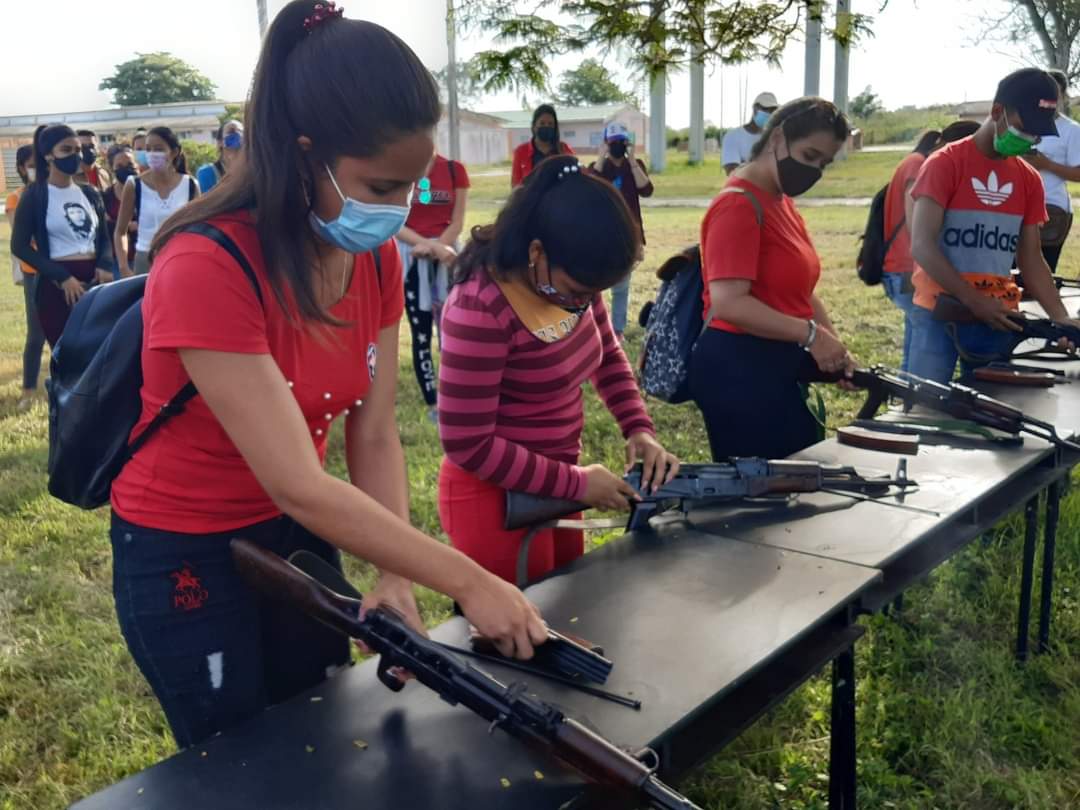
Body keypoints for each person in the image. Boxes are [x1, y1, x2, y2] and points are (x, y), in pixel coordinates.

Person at [108, 0, 546, 751]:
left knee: (320, 728)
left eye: (411, 188)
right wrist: (468, 580)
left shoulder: (373, 260)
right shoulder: (206, 262)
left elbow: (372, 434)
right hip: (183, 545)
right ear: (305, 154)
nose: (398, 211)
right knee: (236, 759)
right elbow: (299, 481)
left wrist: (395, 573)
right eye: (379, 188)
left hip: (298, 534)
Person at [438, 155, 679, 585]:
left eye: (593, 294)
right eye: (578, 292)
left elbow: (607, 355)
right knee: (522, 621)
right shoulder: (480, 304)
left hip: (559, 485)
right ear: (536, 251)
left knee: (569, 607)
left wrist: (638, 429)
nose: (583, 303)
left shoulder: (571, 281)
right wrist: (576, 484)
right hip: (496, 501)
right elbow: (468, 443)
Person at [690, 97, 856, 462]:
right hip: (739, 369)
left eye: (824, 163)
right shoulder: (737, 204)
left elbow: (802, 292)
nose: (814, 171)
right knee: (769, 486)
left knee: (800, 474)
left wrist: (834, 348)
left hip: (778, 361)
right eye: (810, 155)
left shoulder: (780, 201)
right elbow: (729, 303)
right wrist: (811, 336)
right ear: (778, 138)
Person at [908, 68, 1080, 384]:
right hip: (938, 315)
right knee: (925, 403)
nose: (1031, 139)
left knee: (994, 402)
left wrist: (1060, 318)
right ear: (998, 111)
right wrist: (973, 301)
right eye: (1025, 128)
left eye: (1038, 133)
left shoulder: (1029, 179)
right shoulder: (945, 164)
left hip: (997, 318)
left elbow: (1031, 259)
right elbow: (922, 246)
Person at [10, 124, 113, 347]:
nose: (75, 156)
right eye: (66, 150)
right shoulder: (35, 195)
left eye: (78, 150)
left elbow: (104, 237)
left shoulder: (90, 193)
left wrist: (105, 264)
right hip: (57, 285)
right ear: (48, 155)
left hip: (94, 281)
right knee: (65, 352)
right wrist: (62, 277)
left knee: (98, 351)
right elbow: (19, 246)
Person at [394, 150, 469, 417]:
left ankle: (456, 394)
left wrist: (438, 247)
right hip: (411, 255)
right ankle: (432, 401)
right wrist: (425, 245)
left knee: (453, 328)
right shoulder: (398, 168)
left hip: (446, 256)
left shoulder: (454, 170)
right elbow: (395, 221)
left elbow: (458, 221)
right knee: (421, 331)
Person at [880, 129, 942, 373]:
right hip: (905, 268)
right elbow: (914, 220)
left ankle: (904, 390)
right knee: (922, 351)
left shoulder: (912, 161)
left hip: (902, 267)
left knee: (914, 345)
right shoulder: (918, 164)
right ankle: (909, 392)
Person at [588, 121, 653, 342]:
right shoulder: (598, 167)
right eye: (613, 142)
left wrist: (632, 161)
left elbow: (646, 190)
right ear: (606, 144)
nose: (617, 146)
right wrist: (600, 158)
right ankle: (593, 327)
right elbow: (589, 188)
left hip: (628, 233)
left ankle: (617, 330)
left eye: (621, 142)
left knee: (622, 286)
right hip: (601, 234)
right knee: (594, 283)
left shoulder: (635, 166)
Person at [113, 126, 199, 276]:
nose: (152, 154)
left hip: (180, 260)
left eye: (158, 149)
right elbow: (120, 231)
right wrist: (124, 267)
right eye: (148, 149)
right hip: (145, 262)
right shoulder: (135, 184)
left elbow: (198, 229)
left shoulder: (190, 185)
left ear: (174, 152)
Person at [1024, 69, 1080, 271]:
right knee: (1012, 273)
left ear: (1063, 96)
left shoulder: (1071, 130)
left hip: (1051, 211)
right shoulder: (1022, 124)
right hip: (1017, 207)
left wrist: (1047, 164)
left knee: (1042, 273)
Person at [5, 144, 46, 412]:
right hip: (35, 273)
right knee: (36, 334)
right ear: (21, 168)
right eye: (32, 165)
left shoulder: (55, 193)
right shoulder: (16, 198)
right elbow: (22, 238)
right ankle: (28, 390)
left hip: (65, 271)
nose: (37, 169)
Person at [510, 104, 575, 187]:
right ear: (534, 126)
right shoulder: (521, 151)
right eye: (542, 123)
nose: (546, 126)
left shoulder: (564, 149)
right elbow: (515, 185)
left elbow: (575, 179)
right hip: (531, 195)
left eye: (550, 124)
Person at [722, 92, 779, 175]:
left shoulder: (773, 138)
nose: (770, 113)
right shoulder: (732, 136)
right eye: (766, 109)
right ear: (755, 109)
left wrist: (745, 164)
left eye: (773, 111)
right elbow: (732, 171)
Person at [103, 144, 139, 276]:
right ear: (111, 169)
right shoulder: (105, 197)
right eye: (119, 166)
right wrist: (128, 226)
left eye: (130, 164)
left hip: (144, 258)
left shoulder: (148, 192)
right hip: (116, 263)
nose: (126, 168)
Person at [197, 119, 245, 194]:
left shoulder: (251, 171)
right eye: (231, 131)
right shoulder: (206, 173)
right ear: (220, 142)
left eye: (241, 132)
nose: (237, 134)